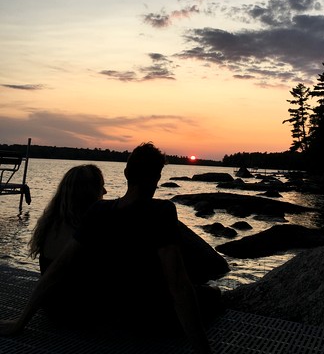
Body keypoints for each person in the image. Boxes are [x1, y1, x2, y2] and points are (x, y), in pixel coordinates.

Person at [0, 143, 214, 354]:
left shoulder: (98, 210)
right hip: (143, 314)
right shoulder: (161, 211)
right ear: (157, 178)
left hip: (109, 311)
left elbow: (59, 267)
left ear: (126, 172)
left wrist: (21, 321)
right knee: (209, 296)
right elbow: (177, 283)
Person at [29, 164, 106, 273]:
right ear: (89, 193)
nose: (105, 191)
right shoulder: (83, 232)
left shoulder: (50, 225)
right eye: (101, 186)